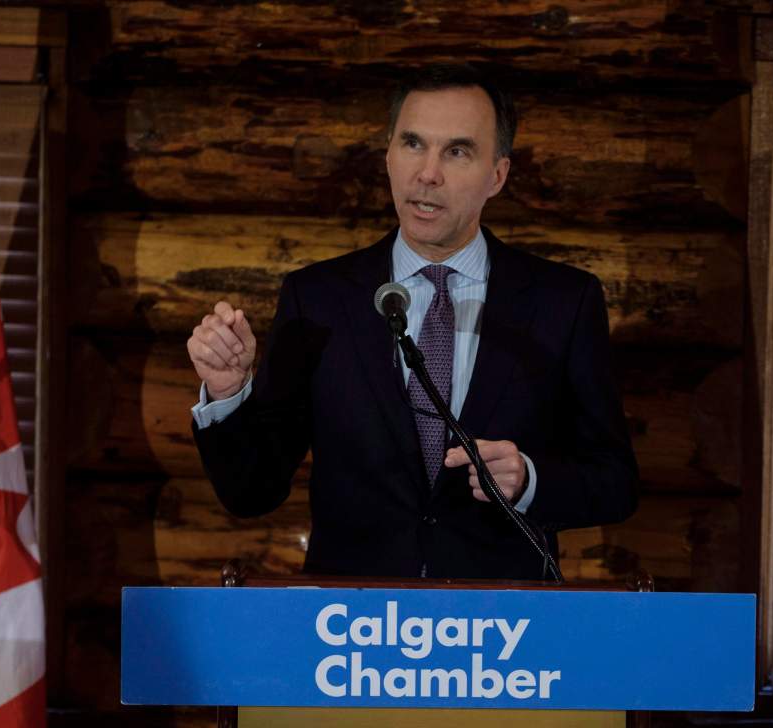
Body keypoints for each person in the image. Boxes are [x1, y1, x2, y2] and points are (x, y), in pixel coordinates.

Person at [186, 65, 639, 582]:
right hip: (353, 631)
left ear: (498, 175)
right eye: (413, 144)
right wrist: (227, 393)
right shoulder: (318, 299)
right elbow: (252, 491)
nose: (428, 173)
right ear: (388, 157)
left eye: (457, 151)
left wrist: (530, 480)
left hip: (501, 634)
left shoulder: (563, 301)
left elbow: (615, 481)